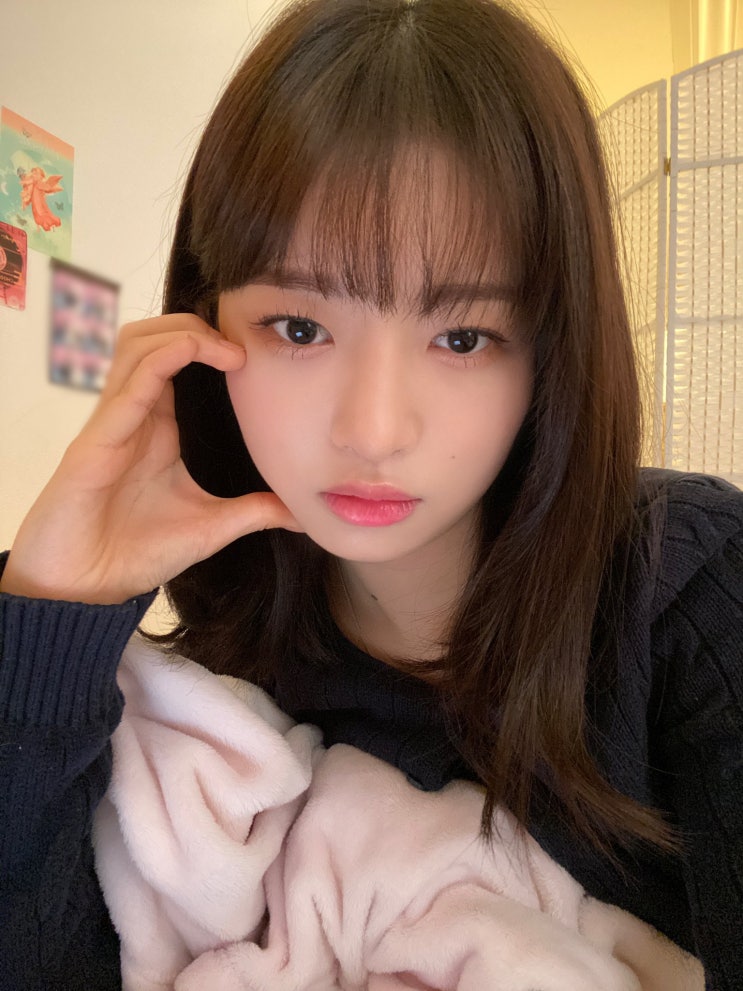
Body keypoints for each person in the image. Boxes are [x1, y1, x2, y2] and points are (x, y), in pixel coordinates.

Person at [0, 0, 741, 987]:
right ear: (204, 327)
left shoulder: (693, 594)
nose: (373, 429)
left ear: (550, 352)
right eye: (300, 328)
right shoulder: (219, 690)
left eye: (462, 336)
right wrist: (51, 607)